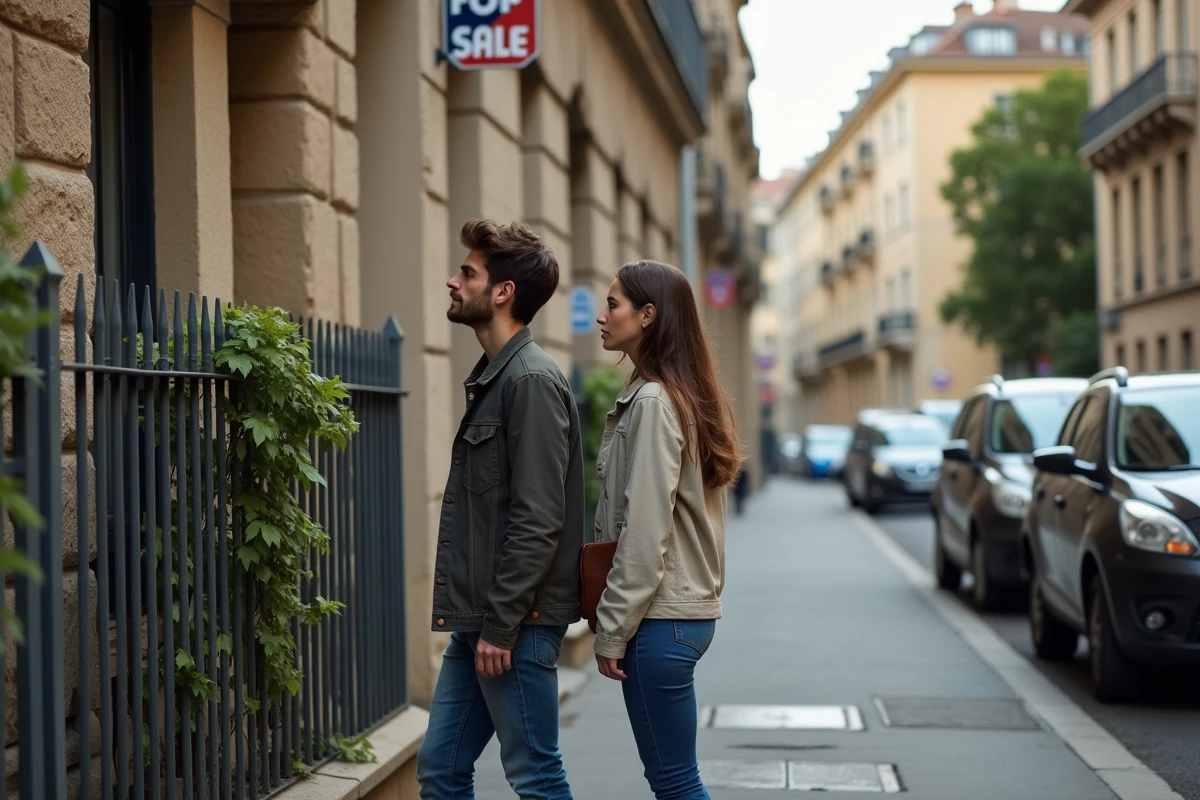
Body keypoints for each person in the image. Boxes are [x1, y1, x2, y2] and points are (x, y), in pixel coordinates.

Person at [416, 219, 584, 800]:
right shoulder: (496, 377)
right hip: (481, 622)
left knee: (536, 775)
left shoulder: (531, 380)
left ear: (503, 291)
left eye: (468, 272)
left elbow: (539, 518)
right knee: (440, 771)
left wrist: (501, 624)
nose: (452, 281)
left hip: (516, 625)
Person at [591, 260, 740, 800]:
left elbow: (645, 530)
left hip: (660, 620)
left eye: (613, 304)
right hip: (681, 616)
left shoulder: (654, 401)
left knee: (675, 783)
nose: (601, 316)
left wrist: (611, 628)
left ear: (647, 315)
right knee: (676, 780)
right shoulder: (676, 393)